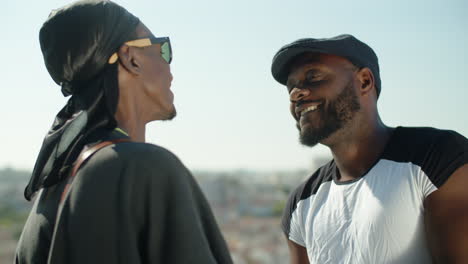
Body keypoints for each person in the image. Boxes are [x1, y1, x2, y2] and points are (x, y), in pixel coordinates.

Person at [15, 1, 233, 263]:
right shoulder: (143, 167)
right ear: (131, 59)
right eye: (163, 49)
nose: (170, 69)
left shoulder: (47, 196)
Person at [271, 35, 468, 263]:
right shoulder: (301, 202)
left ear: (364, 81)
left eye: (313, 77)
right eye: (291, 87)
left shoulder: (438, 157)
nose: (296, 93)